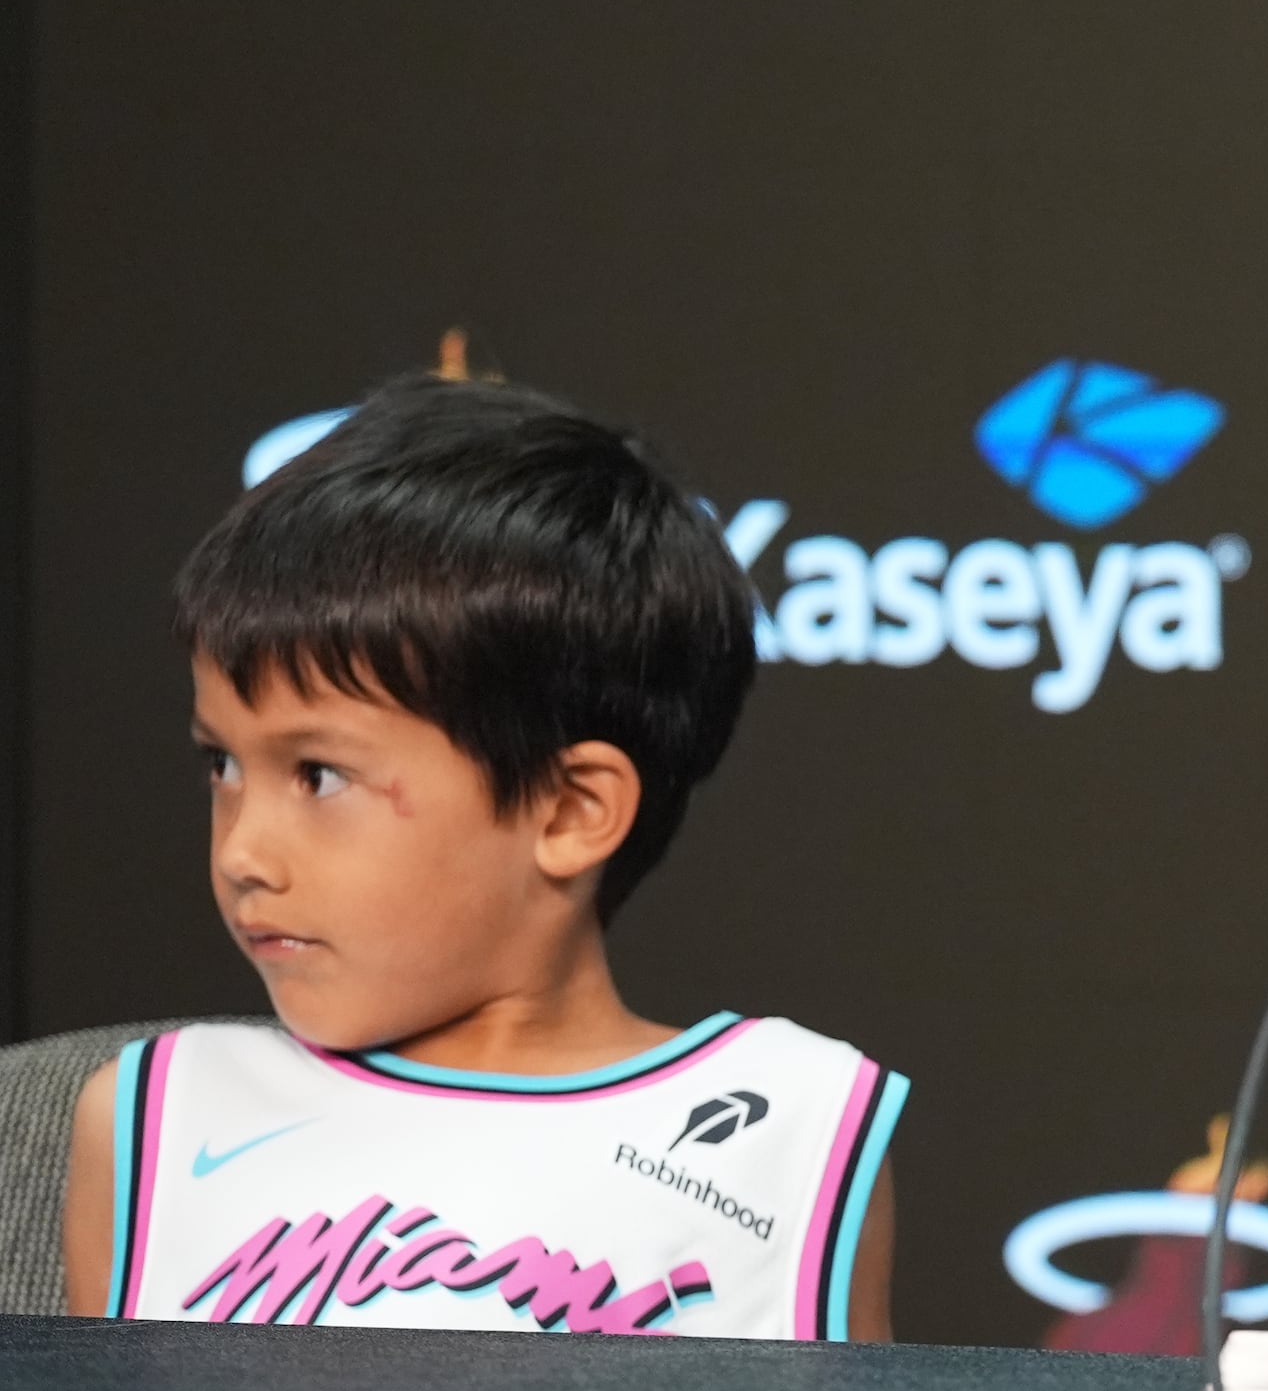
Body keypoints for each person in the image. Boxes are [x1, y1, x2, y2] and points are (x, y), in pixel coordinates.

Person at [59, 374, 906, 1339]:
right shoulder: (150, 1119)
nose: (245, 851)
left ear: (572, 810)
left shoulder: (790, 1130)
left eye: (321, 776)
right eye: (223, 765)